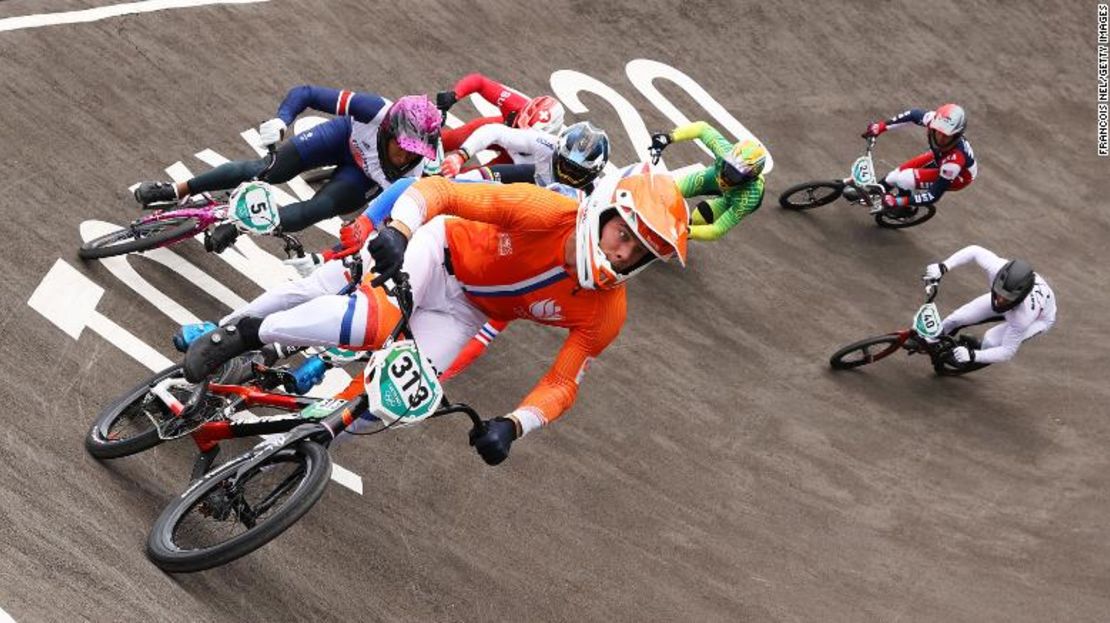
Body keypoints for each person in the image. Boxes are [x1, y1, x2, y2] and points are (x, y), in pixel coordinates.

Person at [180, 164, 690, 465]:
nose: (623, 254)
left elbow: (563, 382)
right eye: (623, 235)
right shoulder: (546, 211)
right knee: (365, 319)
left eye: (639, 252)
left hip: (466, 312)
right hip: (437, 252)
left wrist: (515, 426)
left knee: (387, 405)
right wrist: (400, 229)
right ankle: (245, 332)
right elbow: (442, 191)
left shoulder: (606, 311)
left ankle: (284, 446)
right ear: (604, 212)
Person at [133, 85, 441, 251]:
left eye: (412, 154)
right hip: (343, 139)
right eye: (400, 147)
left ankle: (240, 224)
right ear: (387, 130)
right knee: (266, 169)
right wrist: (283, 120)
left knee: (314, 210)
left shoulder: (412, 177)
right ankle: (177, 189)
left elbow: (387, 223)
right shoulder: (373, 110)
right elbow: (306, 93)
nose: (404, 158)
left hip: (359, 178)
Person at [922, 245, 1056, 365]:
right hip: (1020, 304)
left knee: (991, 341)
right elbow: (974, 251)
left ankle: (972, 359)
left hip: (1040, 319)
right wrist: (944, 266)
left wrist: (974, 355)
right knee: (957, 318)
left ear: (1019, 298)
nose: (1000, 301)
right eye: (999, 293)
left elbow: (1007, 352)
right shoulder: (996, 267)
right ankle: (931, 339)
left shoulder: (1023, 317)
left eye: (1006, 299)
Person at [648, 121, 767, 241]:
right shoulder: (724, 151)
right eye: (728, 167)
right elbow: (702, 128)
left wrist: (687, 231)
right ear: (728, 158)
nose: (726, 177)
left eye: (735, 175)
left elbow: (717, 230)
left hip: (732, 198)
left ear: (748, 179)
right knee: (671, 192)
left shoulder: (749, 199)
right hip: (714, 176)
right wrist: (668, 138)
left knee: (701, 217)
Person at [862, 103, 977, 215]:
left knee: (903, 179)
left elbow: (933, 195)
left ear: (956, 136)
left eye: (946, 136)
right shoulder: (934, 121)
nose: (941, 139)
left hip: (958, 177)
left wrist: (898, 201)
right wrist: (880, 127)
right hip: (941, 156)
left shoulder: (953, 163)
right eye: (938, 132)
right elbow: (913, 115)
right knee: (893, 176)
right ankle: (873, 194)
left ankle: (906, 209)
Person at [436, 73, 565, 166]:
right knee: (443, 141)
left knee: (468, 183)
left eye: (525, 134)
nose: (517, 134)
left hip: (513, 161)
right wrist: (454, 95)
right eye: (517, 126)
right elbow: (479, 82)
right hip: (497, 129)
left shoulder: (548, 157)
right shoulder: (515, 106)